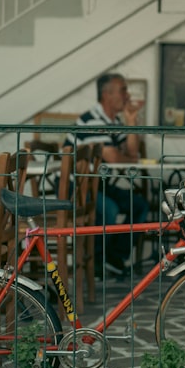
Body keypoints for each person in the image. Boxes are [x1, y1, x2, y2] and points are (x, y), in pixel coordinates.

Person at [67, 72, 150, 274]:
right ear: (107, 95)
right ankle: (96, 261)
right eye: (123, 90)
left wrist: (131, 122)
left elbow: (131, 152)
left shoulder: (113, 121)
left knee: (139, 205)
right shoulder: (92, 120)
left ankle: (114, 256)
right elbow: (113, 157)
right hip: (78, 187)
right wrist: (128, 157)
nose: (127, 95)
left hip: (99, 185)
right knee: (109, 209)